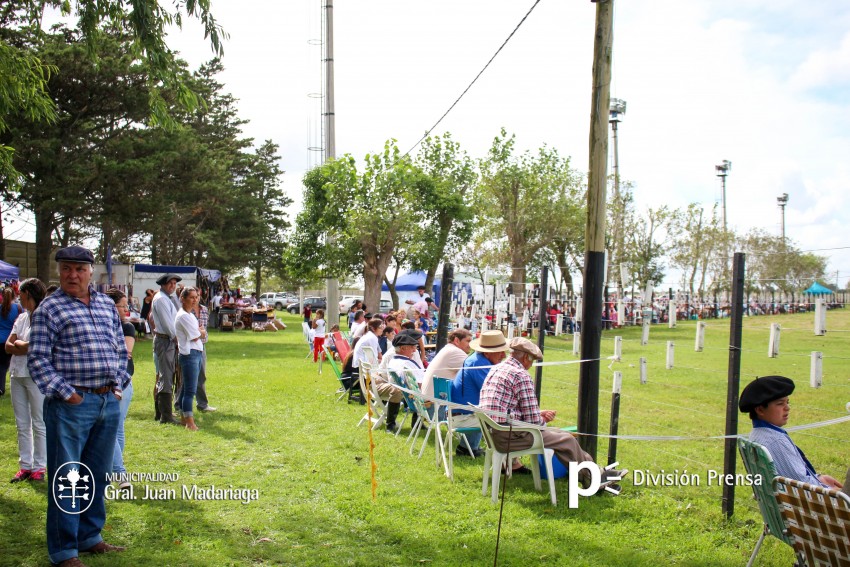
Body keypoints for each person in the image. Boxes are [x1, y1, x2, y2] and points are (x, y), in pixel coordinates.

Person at [28, 246, 128, 565]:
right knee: (67, 476)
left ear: (90, 271)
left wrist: (118, 385)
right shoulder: (49, 308)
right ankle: (64, 550)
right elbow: (38, 359)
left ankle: (89, 536)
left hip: (106, 401)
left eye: (80, 269)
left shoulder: (106, 305)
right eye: (67, 269)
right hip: (70, 405)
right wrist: (68, 394)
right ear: (59, 271)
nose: (73, 275)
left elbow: (119, 349)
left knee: (97, 474)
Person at [479, 337, 627, 487]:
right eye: (532, 360)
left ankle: (594, 474)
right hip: (510, 436)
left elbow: (504, 408)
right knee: (567, 440)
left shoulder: (496, 369)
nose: (531, 365)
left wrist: (538, 413)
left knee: (562, 436)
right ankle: (593, 477)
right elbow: (534, 422)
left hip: (494, 433)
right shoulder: (520, 375)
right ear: (526, 358)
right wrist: (542, 419)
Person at [740, 375, 849, 495]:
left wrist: (818, 478)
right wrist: (835, 492)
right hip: (809, 504)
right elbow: (804, 487)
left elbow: (796, 476)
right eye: (780, 404)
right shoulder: (776, 441)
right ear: (760, 410)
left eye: (787, 402)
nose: (787, 408)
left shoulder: (757, 435)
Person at [6, 278, 47, 482]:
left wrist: (22, 345)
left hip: (36, 375)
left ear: (28, 294)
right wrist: (23, 346)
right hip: (17, 373)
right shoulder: (22, 317)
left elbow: (35, 347)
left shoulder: (43, 317)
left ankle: (40, 466)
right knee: (22, 423)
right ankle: (25, 465)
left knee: (39, 422)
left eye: (20, 294)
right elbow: (8, 345)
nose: (18, 298)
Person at [451, 330, 509, 458]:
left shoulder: (478, 359)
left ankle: (467, 448)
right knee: (508, 420)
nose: (504, 355)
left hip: (462, 412)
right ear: (488, 352)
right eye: (500, 352)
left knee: (499, 414)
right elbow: (495, 393)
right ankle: (507, 456)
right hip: (463, 416)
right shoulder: (478, 363)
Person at [105, 288, 135, 491]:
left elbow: (126, 352)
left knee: (114, 430)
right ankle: (114, 471)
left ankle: (119, 473)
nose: (126, 309)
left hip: (122, 384)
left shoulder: (127, 327)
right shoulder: (104, 326)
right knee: (115, 430)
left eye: (126, 305)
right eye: (122, 306)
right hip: (110, 383)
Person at [151, 273, 182, 425]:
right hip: (165, 340)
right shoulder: (161, 299)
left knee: (166, 376)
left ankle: (161, 413)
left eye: (174, 283)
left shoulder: (166, 298)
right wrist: (177, 340)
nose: (173, 286)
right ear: (163, 284)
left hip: (166, 340)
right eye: (170, 283)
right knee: (166, 377)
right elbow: (168, 325)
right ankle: (166, 416)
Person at [175, 286, 205, 431]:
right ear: (183, 299)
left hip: (195, 352)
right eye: (191, 297)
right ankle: (190, 422)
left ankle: (183, 418)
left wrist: (200, 332)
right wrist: (201, 332)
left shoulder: (190, 315)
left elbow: (198, 333)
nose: (195, 300)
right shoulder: (183, 316)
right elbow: (195, 335)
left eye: (196, 297)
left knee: (186, 388)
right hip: (189, 354)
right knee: (190, 390)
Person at [385, 332, 425, 433]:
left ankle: (417, 422)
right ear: (403, 348)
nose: (415, 350)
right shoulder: (405, 363)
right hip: (416, 396)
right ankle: (417, 422)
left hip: (411, 395)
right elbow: (420, 384)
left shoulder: (395, 360)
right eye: (412, 347)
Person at [421, 328, 471, 400]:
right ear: (456, 340)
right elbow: (475, 372)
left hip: (432, 399)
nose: (470, 344)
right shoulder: (455, 352)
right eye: (468, 341)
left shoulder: (449, 349)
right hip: (435, 403)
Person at [0, 286, 23, 395]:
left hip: (0, 340)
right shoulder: (18, 308)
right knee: (10, 365)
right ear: (14, 296)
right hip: (12, 340)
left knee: (2, 366)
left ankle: (1, 387)